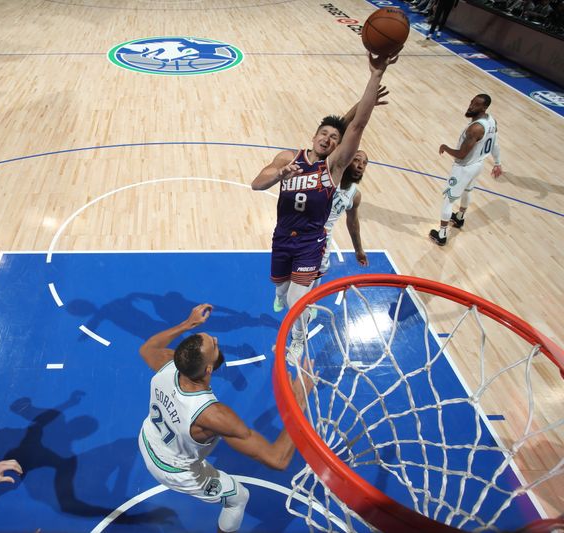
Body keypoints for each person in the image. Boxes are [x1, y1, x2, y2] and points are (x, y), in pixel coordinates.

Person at [251, 51, 398, 364]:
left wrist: (375, 75)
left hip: (311, 243)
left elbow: (356, 125)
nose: (329, 139)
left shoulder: (334, 166)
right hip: (282, 238)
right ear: (314, 136)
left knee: (295, 300)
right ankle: (282, 294)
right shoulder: (288, 158)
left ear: (337, 145)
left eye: (335, 138)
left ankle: (297, 342)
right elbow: (256, 183)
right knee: (280, 288)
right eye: (324, 134)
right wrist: (280, 175)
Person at [137, 303, 313, 533]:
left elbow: (147, 348)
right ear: (209, 370)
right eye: (214, 345)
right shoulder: (213, 415)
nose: (217, 341)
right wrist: (298, 404)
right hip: (174, 470)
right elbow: (277, 459)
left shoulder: (169, 365)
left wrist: (188, 324)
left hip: (148, 440)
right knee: (239, 498)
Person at [429, 94, 502, 246]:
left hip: (464, 167)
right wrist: (497, 162)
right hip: (478, 165)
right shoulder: (492, 121)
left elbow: (462, 154)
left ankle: (441, 235)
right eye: (471, 102)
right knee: (468, 192)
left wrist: (445, 147)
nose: (470, 106)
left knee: (448, 199)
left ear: (484, 108)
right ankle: (459, 217)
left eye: (476, 104)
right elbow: (494, 144)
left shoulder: (475, 129)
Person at [316, 150, 370, 280]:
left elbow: (352, 222)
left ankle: (306, 300)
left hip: (323, 240)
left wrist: (358, 250)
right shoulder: (326, 177)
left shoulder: (354, 195)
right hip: (303, 230)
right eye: (356, 160)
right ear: (347, 159)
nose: (361, 166)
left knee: (317, 275)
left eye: (364, 163)